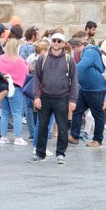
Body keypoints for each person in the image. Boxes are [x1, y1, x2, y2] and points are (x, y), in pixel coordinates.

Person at [29, 33, 77, 164]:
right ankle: (40, 153)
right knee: (42, 126)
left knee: (62, 127)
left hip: (62, 97)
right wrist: (36, 96)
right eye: (54, 40)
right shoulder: (42, 58)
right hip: (45, 97)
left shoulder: (69, 60)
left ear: (63, 43)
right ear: (51, 42)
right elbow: (37, 78)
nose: (56, 43)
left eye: (59, 41)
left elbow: (74, 80)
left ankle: (60, 154)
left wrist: (73, 100)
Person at [69, 38, 106, 147]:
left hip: (95, 89)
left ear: (77, 46)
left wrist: (68, 74)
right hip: (86, 88)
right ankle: (74, 136)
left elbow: (82, 66)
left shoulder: (90, 52)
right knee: (77, 110)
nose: (73, 51)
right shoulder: (86, 52)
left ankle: (98, 139)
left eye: (73, 48)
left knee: (97, 114)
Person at [0, 39, 29, 146]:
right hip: (15, 88)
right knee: (17, 114)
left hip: (2, 88)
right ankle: (18, 137)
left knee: (4, 113)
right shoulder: (19, 60)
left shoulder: (0, 59)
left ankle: (3, 137)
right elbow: (26, 71)